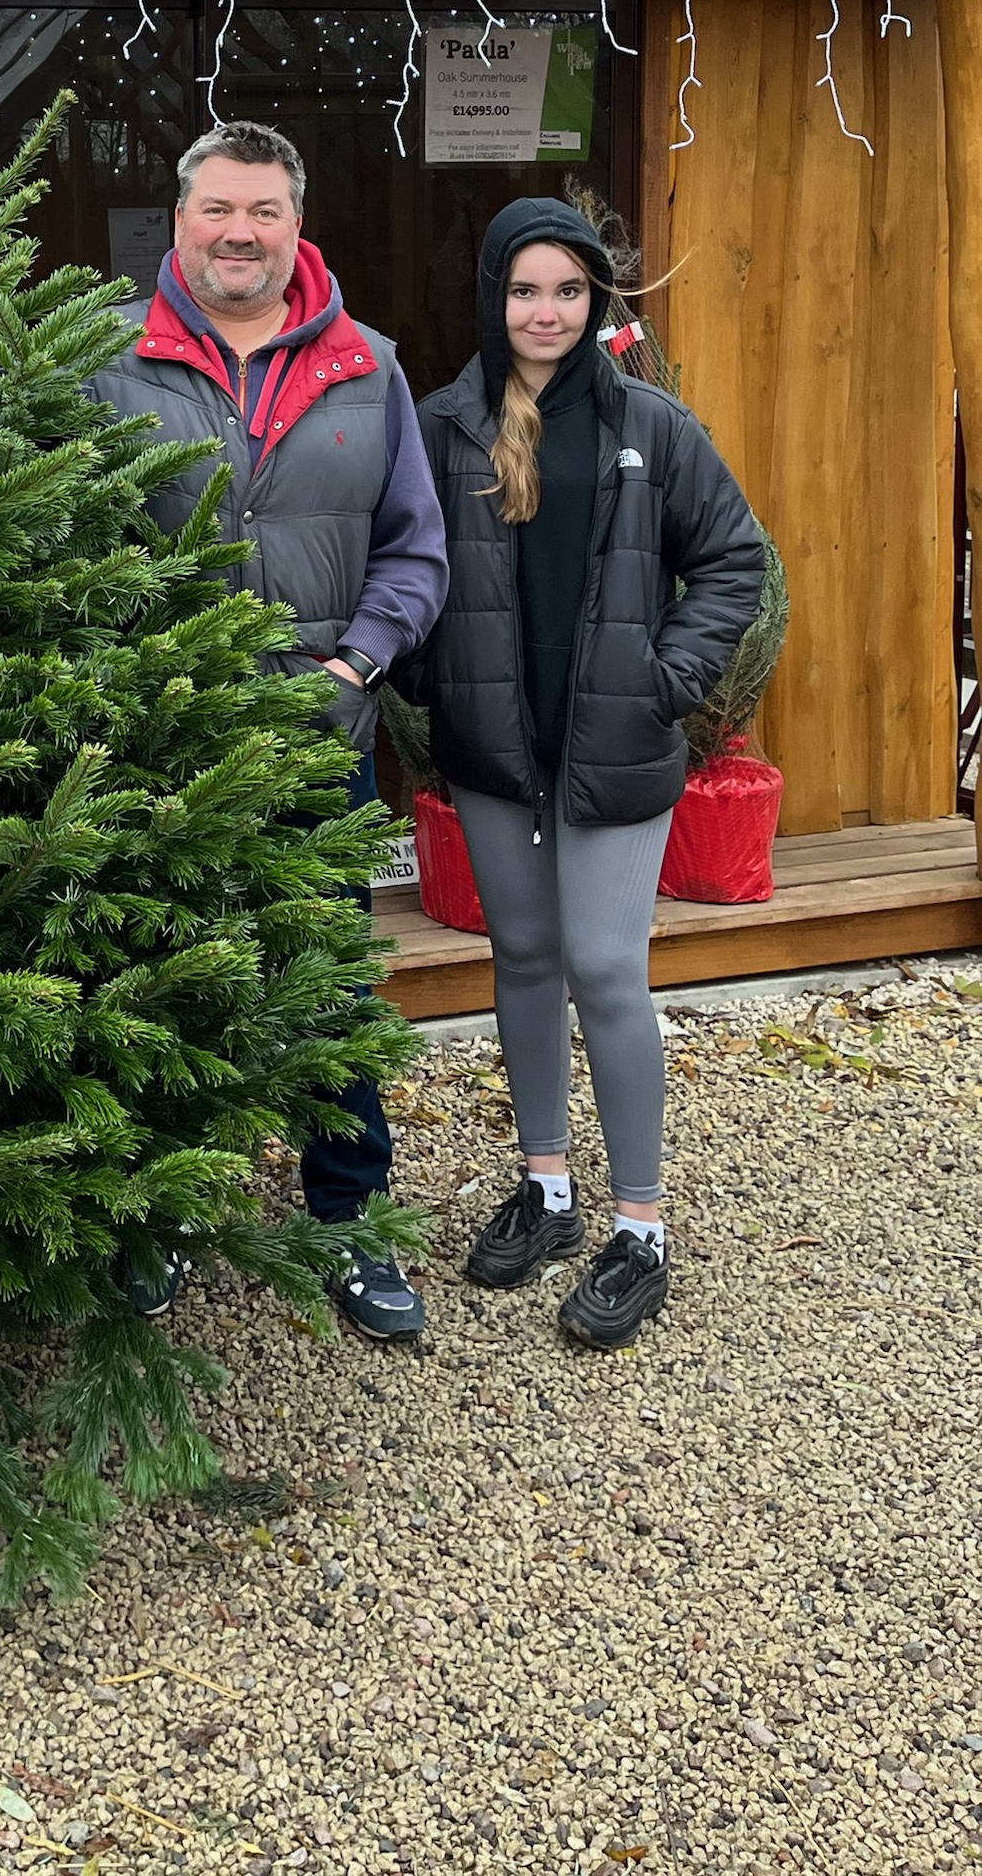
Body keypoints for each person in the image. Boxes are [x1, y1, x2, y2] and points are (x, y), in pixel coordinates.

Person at [0, 120, 448, 1341]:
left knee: (328, 988)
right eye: (217, 210)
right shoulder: (108, 358)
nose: (240, 233)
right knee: (150, 984)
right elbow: (14, 481)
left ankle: (351, 1218)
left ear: (296, 224)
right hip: (154, 746)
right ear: (178, 221)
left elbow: (416, 549)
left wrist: (356, 664)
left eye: (264, 211)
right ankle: (161, 1212)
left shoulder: (370, 366)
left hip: (317, 737)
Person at [400, 199, 764, 1350]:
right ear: (493, 297)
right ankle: (547, 1185)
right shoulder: (445, 424)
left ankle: (639, 1227)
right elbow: (399, 559)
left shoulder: (648, 425)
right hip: (498, 750)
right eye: (525, 290)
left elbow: (733, 558)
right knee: (522, 956)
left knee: (606, 968)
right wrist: (430, 680)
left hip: (615, 744)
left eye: (567, 290)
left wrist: (667, 678)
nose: (546, 311)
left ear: (595, 299)